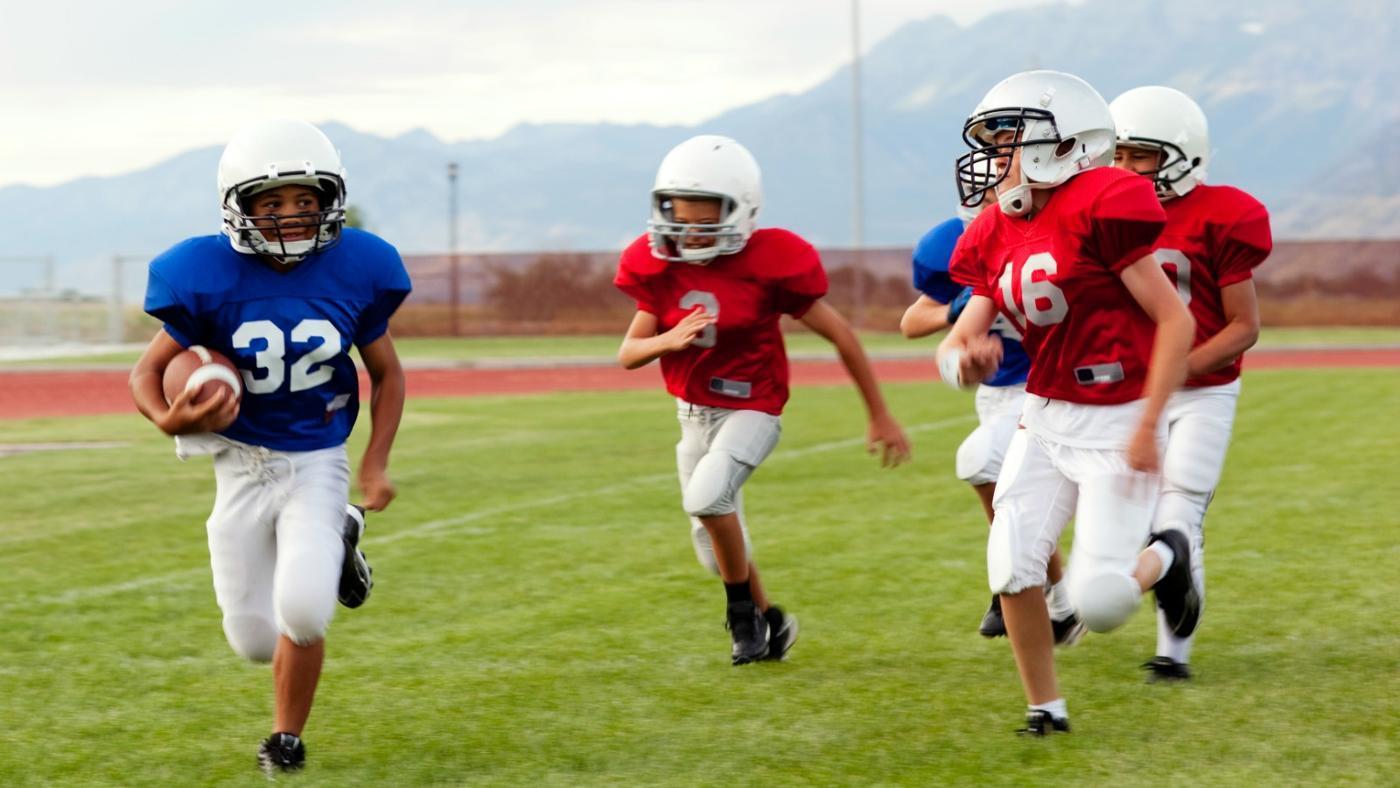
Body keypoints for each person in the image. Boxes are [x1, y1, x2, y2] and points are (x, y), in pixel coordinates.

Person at [128, 119, 411, 773]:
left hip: (316, 458)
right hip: (239, 465)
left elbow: (388, 372)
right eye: (272, 203)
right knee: (255, 641)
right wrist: (172, 419)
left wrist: (374, 459)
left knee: (305, 611)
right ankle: (342, 534)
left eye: (305, 201)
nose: (291, 216)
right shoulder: (200, 272)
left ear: (329, 201)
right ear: (239, 207)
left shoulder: (358, 267)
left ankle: (285, 741)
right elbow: (145, 373)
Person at [938, 70, 1198, 735]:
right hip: (1043, 415)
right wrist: (962, 360)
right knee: (1011, 563)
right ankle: (1045, 709)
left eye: (1008, 144)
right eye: (992, 146)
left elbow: (1176, 323)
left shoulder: (1102, 204)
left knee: (1102, 603)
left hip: (1117, 419)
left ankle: (1168, 552)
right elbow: (962, 338)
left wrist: (1147, 424)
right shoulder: (995, 228)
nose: (995, 162)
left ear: (1067, 144)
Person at [614, 134, 912, 666]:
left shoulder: (770, 261)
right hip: (691, 418)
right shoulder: (660, 266)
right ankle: (772, 619)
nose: (688, 233)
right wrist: (668, 338)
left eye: (704, 222)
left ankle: (741, 618)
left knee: (708, 498)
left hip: (753, 408)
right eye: (680, 219)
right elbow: (629, 352)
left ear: (740, 212)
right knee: (712, 547)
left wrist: (880, 413)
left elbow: (841, 334)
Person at [1110, 86, 1273, 681]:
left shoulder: (1222, 214)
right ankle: (1065, 603)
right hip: (1125, 393)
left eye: (1140, 155)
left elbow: (1244, 327)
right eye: (1117, 154)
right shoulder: (1106, 213)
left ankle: (1170, 657)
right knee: (1125, 518)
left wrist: (1179, 365)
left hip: (1204, 391)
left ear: (1182, 154)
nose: (1124, 168)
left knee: (1177, 512)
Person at [900, 195, 1077, 643]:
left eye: (1006, 156)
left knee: (982, 460)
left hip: (1055, 386)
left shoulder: (1060, 227)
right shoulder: (953, 242)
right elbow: (912, 321)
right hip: (996, 393)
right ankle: (1054, 594)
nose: (994, 177)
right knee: (1011, 489)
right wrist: (955, 313)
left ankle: (1026, 580)